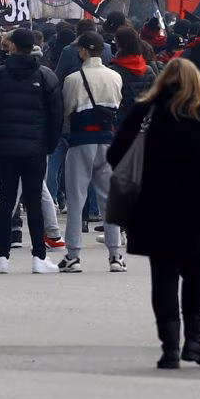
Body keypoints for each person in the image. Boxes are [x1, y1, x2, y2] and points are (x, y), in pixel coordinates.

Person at [109, 56, 200, 368]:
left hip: (154, 203)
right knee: (196, 272)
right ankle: (194, 341)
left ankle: (170, 346)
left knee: (163, 274)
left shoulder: (145, 113)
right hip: (197, 205)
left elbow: (115, 153)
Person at [0, 28, 64, 274]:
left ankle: (2, 258)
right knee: (34, 201)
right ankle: (38, 257)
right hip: (36, 148)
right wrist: (49, 144)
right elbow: (56, 114)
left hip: (6, 147)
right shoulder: (45, 75)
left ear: (13, 47)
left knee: (7, 202)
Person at [57, 32, 126, 272]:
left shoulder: (72, 79)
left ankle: (73, 255)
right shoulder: (115, 77)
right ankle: (115, 255)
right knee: (109, 200)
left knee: (76, 200)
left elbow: (67, 110)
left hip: (80, 141)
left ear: (84, 51)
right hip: (107, 141)